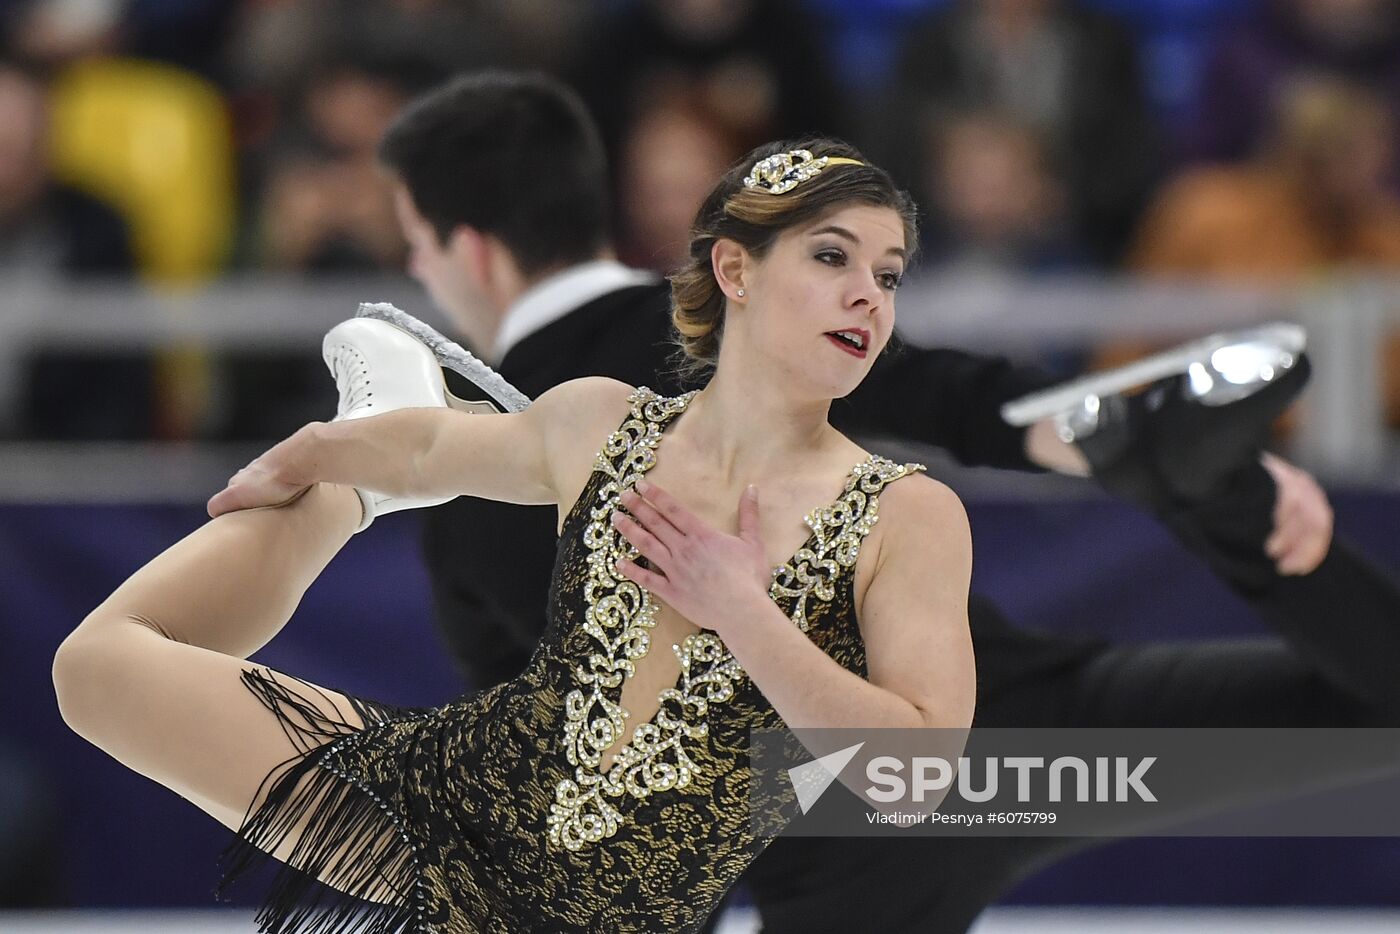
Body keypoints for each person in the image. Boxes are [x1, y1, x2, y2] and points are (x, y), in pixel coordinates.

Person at [380, 72, 1400, 933]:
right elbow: (958, 400)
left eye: (416, 251)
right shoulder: (744, 300)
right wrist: (1208, 487)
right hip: (1024, 731)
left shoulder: (481, 488)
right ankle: (1255, 536)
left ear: (465, 249)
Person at [53, 138, 976, 932]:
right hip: (452, 804)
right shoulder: (603, 424)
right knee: (94, 670)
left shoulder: (906, 514)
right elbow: (427, 451)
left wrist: (742, 609)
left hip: (603, 913)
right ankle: (343, 503)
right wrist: (322, 453)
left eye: (888, 275)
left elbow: (917, 776)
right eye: (832, 259)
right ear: (736, 270)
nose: (868, 296)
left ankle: (348, 497)